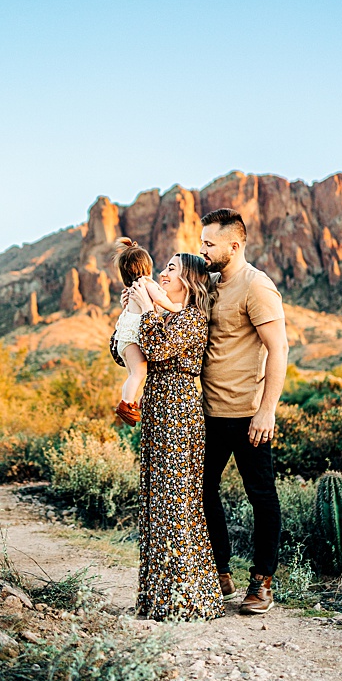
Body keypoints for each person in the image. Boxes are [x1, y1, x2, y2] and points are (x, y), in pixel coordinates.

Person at [199, 209, 289, 615]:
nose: (202, 250)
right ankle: (221, 573)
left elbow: (279, 349)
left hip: (249, 416)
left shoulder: (257, 287)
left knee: (261, 497)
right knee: (202, 490)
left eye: (209, 244)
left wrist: (266, 410)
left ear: (234, 246)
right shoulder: (212, 285)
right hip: (209, 414)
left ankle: (262, 581)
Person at [128, 253, 223, 622]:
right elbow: (125, 355)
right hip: (157, 409)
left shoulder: (193, 319)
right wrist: (134, 312)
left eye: (172, 268)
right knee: (157, 500)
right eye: (164, 267)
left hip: (178, 412)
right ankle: (159, 599)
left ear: (190, 280)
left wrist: (148, 310)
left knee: (175, 502)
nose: (163, 273)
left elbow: (155, 348)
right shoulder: (166, 315)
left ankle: (186, 601)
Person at [111, 239, 175, 425]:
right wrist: (174, 307)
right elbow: (160, 300)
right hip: (132, 338)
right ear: (147, 267)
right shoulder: (146, 283)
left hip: (124, 340)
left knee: (134, 373)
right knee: (138, 372)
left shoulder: (132, 289)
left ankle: (131, 401)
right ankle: (126, 404)